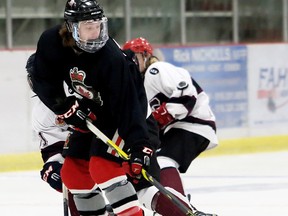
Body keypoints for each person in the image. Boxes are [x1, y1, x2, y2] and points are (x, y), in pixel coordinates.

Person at [28, 1, 161, 215]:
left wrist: (139, 144)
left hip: (120, 116)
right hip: (93, 116)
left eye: (98, 25)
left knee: (103, 167)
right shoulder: (51, 42)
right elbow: (43, 78)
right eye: (88, 27)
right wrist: (63, 105)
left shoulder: (112, 58)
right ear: (71, 27)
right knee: (73, 174)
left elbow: (129, 105)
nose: (96, 32)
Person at [123, 37, 219, 216]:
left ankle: (180, 206)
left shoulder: (156, 69)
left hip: (194, 123)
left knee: (164, 160)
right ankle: (177, 203)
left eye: (135, 57)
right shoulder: (141, 86)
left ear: (146, 55)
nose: (132, 63)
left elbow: (186, 94)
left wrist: (163, 114)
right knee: (158, 163)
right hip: (180, 127)